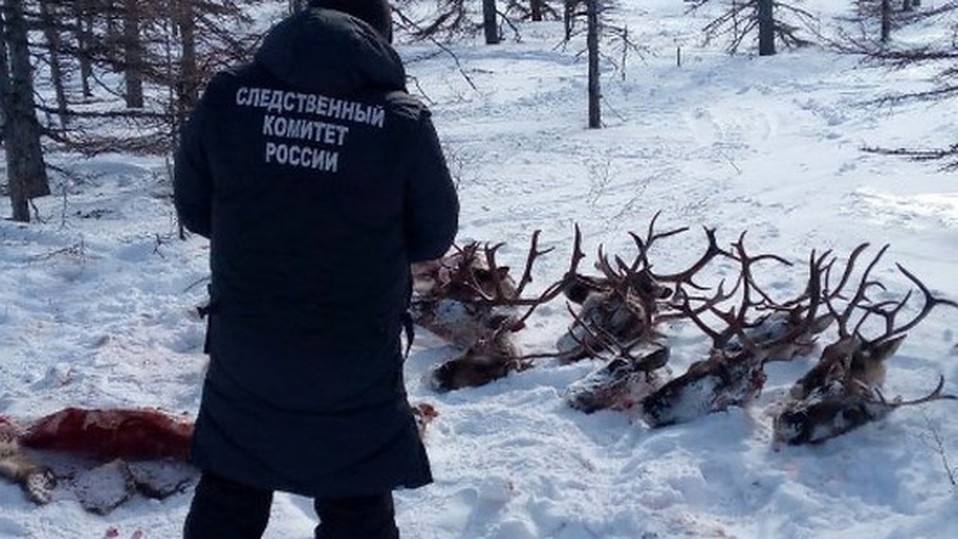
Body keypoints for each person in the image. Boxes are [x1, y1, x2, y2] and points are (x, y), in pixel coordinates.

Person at [173, 0, 459, 537]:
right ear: (376, 39)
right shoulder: (400, 120)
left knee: (234, 482)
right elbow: (434, 237)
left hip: (248, 338)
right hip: (354, 347)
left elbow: (194, 208)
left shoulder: (228, 97)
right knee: (355, 496)